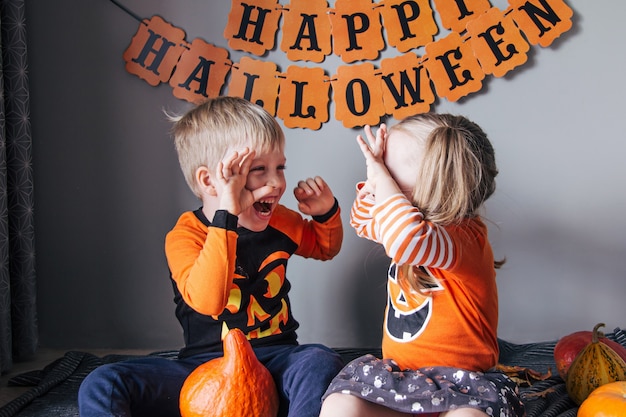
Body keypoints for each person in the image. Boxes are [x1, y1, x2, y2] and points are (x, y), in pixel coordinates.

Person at [78, 96, 344, 417]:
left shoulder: (282, 221)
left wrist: (326, 213)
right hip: (205, 368)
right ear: (209, 181)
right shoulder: (185, 235)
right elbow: (208, 301)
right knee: (103, 380)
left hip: (276, 358)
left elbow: (323, 247)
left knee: (319, 360)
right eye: (259, 170)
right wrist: (226, 216)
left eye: (280, 168)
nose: (276, 182)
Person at [319, 114, 525, 417]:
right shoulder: (400, 227)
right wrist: (375, 179)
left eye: (389, 170)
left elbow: (404, 238)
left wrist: (382, 178)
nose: (381, 176)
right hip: (402, 381)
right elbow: (362, 222)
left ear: (433, 182)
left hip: (462, 388)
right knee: (340, 404)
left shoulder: (462, 239)